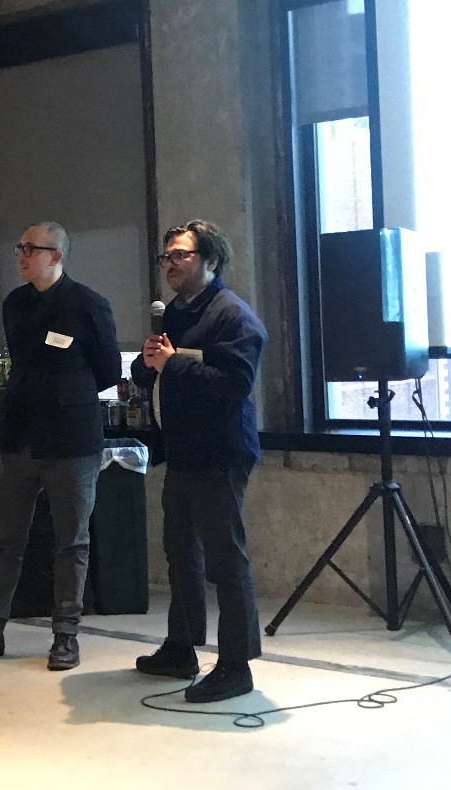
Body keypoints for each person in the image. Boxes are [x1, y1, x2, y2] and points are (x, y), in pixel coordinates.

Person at [0, 221, 120, 671]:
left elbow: (108, 371)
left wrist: (65, 394)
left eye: (30, 249)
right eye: (19, 247)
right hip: (19, 436)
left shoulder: (89, 305)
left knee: (71, 543)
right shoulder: (15, 304)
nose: (20, 255)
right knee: (4, 540)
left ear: (56, 256)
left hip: (71, 440)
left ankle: (66, 636)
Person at [131, 219, 267, 703]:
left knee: (225, 561)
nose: (169, 263)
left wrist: (173, 363)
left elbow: (234, 385)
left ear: (211, 260)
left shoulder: (234, 317)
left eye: (180, 255)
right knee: (181, 555)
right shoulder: (173, 313)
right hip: (183, 453)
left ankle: (236, 665)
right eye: (165, 256)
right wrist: (146, 363)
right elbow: (153, 372)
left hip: (220, 455)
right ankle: (181, 648)